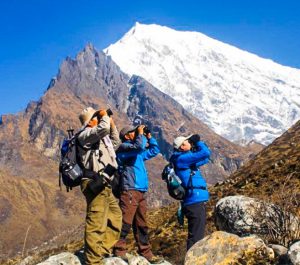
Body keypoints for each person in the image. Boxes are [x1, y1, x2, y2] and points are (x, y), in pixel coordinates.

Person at [77, 107, 122, 265]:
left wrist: (112, 123)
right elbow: (103, 129)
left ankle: (100, 252)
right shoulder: (84, 135)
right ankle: (93, 261)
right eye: (96, 116)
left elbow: (116, 142)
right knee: (96, 222)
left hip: (105, 182)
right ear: (90, 121)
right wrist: (103, 116)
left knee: (115, 218)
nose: (100, 117)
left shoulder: (100, 138)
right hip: (94, 182)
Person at [113, 125, 163, 263]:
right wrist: (140, 134)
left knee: (141, 223)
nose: (136, 133)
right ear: (127, 136)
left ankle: (146, 252)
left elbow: (154, 150)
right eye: (133, 132)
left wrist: (149, 137)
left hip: (140, 191)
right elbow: (140, 147)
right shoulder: (124, 149)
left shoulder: (137, 152)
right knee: (125, 221)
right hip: (129, 190)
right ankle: (119, 249)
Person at [170, 134, 211, 250]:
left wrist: (195, 146)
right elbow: (205, 153)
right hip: (194, 201)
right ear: (182, 146)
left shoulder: (186, 160)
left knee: (197, 234)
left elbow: (206, 158)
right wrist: (198, 143)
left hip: (195, 201)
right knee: (196, 237)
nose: (191, 143)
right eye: (188, 141)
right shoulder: (181, 159)